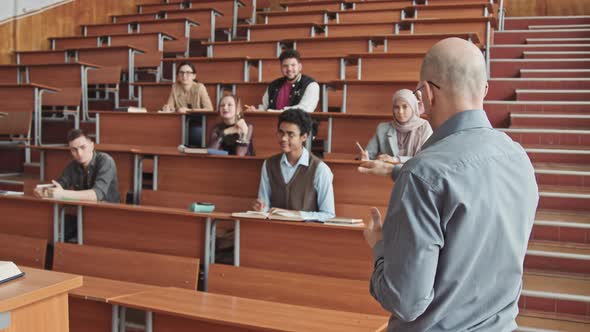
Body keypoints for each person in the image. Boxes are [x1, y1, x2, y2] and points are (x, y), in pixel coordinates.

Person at [359, 38, 539, 331]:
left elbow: (406, 301)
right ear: (484, 89)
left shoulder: (421, 174)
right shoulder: (518, 157)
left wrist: (380, 247)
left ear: (427, 94)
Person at [252, 109, 335, 222]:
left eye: (290, 134)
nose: (283, 138)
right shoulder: (269, 164)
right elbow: (264, 205)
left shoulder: (320, 169)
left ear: (304, 137)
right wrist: (261, 210)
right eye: (281, 132)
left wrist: (297, 214)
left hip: (306, 234)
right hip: (273, 230)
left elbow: (328, 214)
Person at [34, 129, 120, 203]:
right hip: (83, 212)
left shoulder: (106, 161)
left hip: (109, 212)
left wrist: (62, 194)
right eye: (74, 150)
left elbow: (96, 195)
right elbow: (60, 185)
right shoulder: (73, 166)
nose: (79, 153)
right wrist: (44, 190)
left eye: (83, 147)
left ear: (92, 146)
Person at [362, 89, 433, 163]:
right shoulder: (382, 128)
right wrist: (366, 157)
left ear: (413, 107)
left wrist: (396, 159)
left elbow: (425, 158)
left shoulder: (424, 127)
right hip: (387, 173)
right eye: (397, 107)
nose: (400, 112)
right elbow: (369, 154)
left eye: (405, 107)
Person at [244, 50, 319, 113]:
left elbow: (304, 110)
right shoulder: (273, 85)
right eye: (285, 66)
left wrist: (273, 112)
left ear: (300, 67)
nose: (289, 69)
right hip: (272, 124)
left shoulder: (311, 85)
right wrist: (256, 111)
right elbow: (264, 107)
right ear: (281, 68)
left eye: (293, 65)